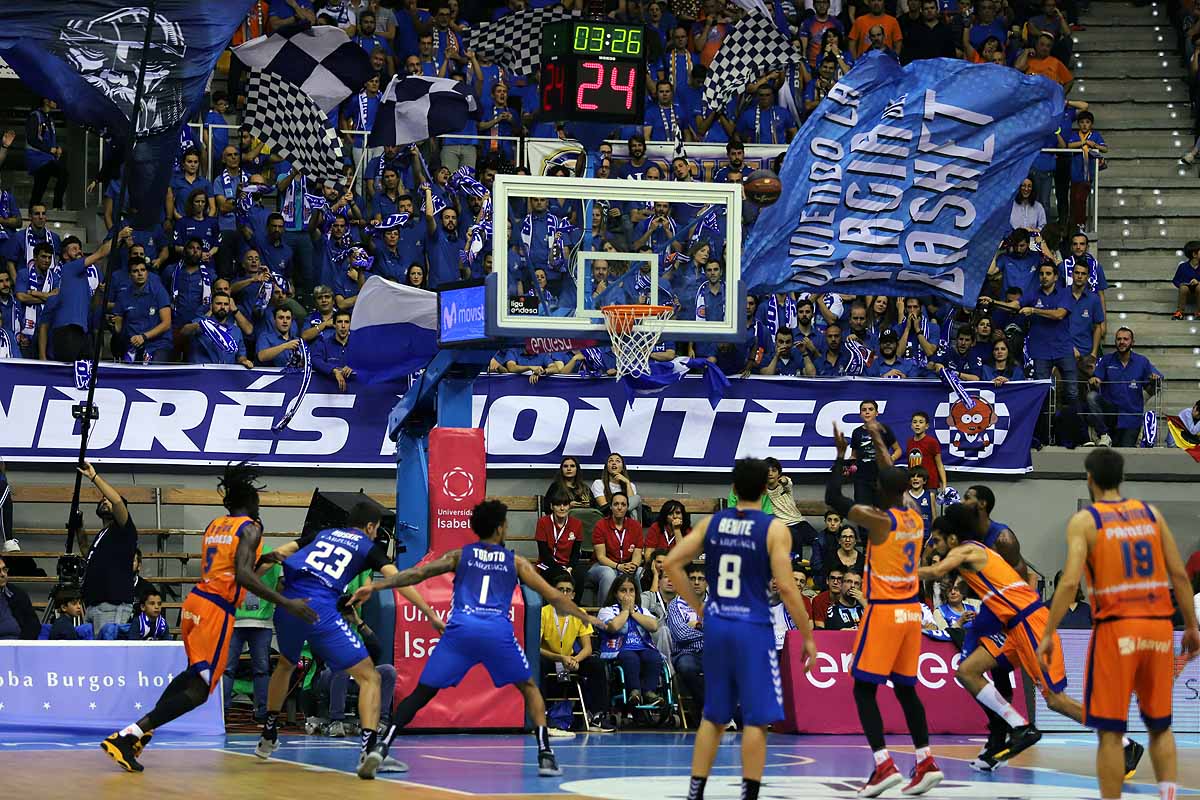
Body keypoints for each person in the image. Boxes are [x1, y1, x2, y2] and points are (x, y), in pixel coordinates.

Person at [351, 500, 603, 779]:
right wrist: (587, 617)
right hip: (496, 632)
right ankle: (545, 756)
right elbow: (554, 596)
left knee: (422, 693)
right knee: (530, 688)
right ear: (498, 528)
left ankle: (381, 749)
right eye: (505, 523)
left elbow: (417, 573)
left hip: (460, 631)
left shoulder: (459, 555)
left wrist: (378, 584)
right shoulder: (515, 561)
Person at [102, 463, 317, 773]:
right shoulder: (251, 527)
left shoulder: (216, 525)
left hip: (195, 604)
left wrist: (279, 552)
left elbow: (235, 567)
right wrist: (287, 602)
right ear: (250, 499)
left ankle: (139, 734)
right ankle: (129, 735)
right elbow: (243, 575)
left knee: (192, 676)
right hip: (216, 610)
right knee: (200, 691)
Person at [925, 502, 1146, 775]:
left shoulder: (968, 549)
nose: (933, 547)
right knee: (968, 671)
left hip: (1030, 624)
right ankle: (1015, 729)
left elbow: (935, 572)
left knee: (1056, 700)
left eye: (936, 541)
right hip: (1014, 629)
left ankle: (1124, 743)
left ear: (952, 537)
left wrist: (896, 574)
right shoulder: (970, 557)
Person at [1038, 448, 1199, 800]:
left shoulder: (1085, 521)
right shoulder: (1151, 514)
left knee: (1110, 732)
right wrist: (1191, 625)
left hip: (1117, 629)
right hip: (1158, 628)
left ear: (1090, 479)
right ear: (1122, 478)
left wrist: (1049, 632)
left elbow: (1068, 582)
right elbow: (1179, 575)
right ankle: (1169, 795)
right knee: (1161, 727)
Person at [663, 457, 816, 800]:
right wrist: (807, 636)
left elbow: (672, 564)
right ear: (765, 489)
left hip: (717, 624)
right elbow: (788, 588)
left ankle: (695, 792)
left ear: (733, 487)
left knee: (714, 716)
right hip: (752, 626)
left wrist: (700, 606)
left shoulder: (712, 523)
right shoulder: (774, 528)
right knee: (756, 718)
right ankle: (749, 794)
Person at [254, 501, 442, 772]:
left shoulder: (320, 534)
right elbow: (400, 580)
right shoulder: (367, 547)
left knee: (285, 663)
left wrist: (243, 583)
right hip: (318, 609)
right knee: (370, 677)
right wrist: (430, 613)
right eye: (376, 530)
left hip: (287, 606)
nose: (376, 535)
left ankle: (268, 736)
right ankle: (369, 752)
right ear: (369, 527)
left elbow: (277, 554)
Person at [826, 422, 943, 796]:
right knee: (907, 690)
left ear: (880, 489)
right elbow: (890, 476)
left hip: (885, 610)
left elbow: (833, 497)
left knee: (863, 689)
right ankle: (925, 761)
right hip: (912, 612)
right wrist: (878, 439)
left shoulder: (878, 521)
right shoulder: (915, 517)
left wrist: (841, 455)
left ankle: (883, 764)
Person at [540, 573, 610, 733]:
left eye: (568, 590)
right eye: (560, 590)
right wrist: (561, 658)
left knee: (596, 664)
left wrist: (575, 659)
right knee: (537, 663)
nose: (564, 594)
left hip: (571, 659)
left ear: (573, 594)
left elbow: (587, 648)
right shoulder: (543, 613)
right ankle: (542, 715)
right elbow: (535, 647)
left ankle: (597, 716)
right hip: (549, 658)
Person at [77, 461, 138, 636]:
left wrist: (94, 477)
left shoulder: (123, 530)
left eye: (108, 500)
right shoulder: (103, 535)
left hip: (112, 607)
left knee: (109, 657)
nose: (105, 500)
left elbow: (117, 500)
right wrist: (78, 528)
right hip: (93, 606)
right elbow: (86, 551)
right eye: (102, 500)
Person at [1085, 327, 1163, 447]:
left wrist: (1154, 380)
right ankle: (1103, 434)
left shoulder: (1142, 362)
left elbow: (1152, 387)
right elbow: (1097, 381)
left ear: (1132, 342)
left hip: (1131, 418)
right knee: (1091, 396)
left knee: (1126, 455)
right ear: (1115, 341)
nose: (1122, 342)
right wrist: (1094, 381)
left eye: (1125, 339)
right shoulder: (1106, 360)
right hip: (1110, 416)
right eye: (1119, 339)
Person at [597, 574, 666, 708]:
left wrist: (633, 613)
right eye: (623, 590)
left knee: (654, 656)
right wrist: (625, 611)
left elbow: (654, 626)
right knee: (630, 657)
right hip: (619, 650)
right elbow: (613, 627)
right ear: (616, 594)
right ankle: (634, 691)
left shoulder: (642, 610)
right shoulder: (606, 611)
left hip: (643, 648)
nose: (628, 595)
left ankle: (649, 692)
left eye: (631, 590)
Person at [587, 492, 644, 605]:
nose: (619, 507)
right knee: (609, 574)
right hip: (603, 566)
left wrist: (634, 565)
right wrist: (618, 566)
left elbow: (637, 554)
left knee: (639, 572)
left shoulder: (635, 526)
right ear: (611, 507)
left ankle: (638, 611)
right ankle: (604, 613)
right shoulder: (601, 525)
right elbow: (601, 557)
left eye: (623, 504)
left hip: (627, 565)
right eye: (616, 504)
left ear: (627, 507)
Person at [665, 562, 707, 705]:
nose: (696, 582)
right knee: (686, 667)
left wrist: (696, 626)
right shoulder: (675, 605)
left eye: (701, 579)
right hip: (686, 653)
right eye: (692, 578)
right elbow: (680, 635)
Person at [850, 400, 901, 508]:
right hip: (862, 480)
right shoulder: (856, 432)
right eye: (864, 410)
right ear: (860, 414)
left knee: (883, 511)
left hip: (881, 479)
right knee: (863, 512)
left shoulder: (884, 429)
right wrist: (848, 466)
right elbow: (854, 455)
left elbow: (898, 450)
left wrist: (891, 459)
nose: (867, 412)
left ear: (877, 413)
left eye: (870, 409)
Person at [534, 492, 584, 581]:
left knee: (580, 577)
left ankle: (572, 595)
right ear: (551, 507)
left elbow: (576, 553)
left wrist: (569, 568)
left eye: (565, 505)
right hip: (547, 564)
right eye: (557, 505)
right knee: (554, 575)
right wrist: (561, 569)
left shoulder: (577, 524)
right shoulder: (543, 522)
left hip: (568, 566)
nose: (562, 508)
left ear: (569, 506)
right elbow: (543, 554)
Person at [0, 554, 39, 639]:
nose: (3, 574)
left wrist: (22, 644)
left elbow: (33, 623)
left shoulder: (18, 593)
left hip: (18, 645)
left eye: (4, 570)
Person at [905, 411, 946, 491]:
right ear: (911, 426)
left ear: (926, 426)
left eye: (921, 422)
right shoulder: (909, 442)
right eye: (915, 422)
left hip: (930, 485)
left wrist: (944, 484)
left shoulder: (932, 442)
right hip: (914, 484)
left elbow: (939, 464)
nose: (917, 424)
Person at [1171, 240, 1200, 320]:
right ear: (1194, 254)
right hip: (1187, 289)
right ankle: (1180, 312)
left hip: (1198, 288)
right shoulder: (1183, 266)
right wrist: (1182, 284)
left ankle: (1199, 312)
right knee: (1183, 288)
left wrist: (1198, 282)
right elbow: (1175, 280)